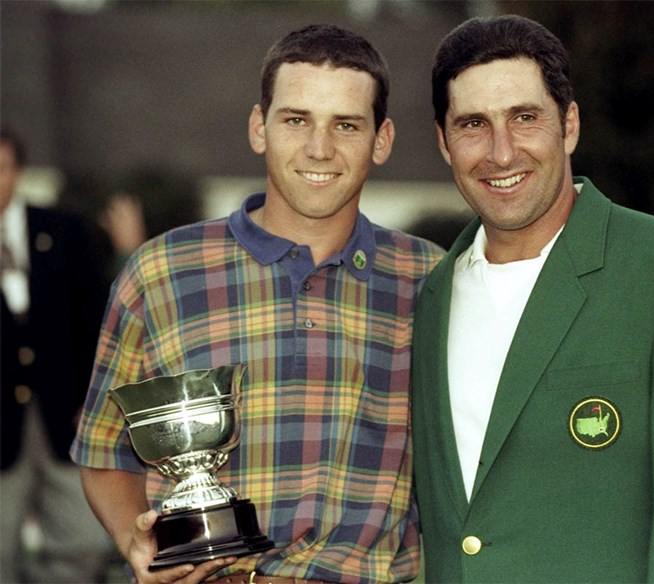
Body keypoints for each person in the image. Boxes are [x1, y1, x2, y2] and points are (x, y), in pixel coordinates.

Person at [70, 25, 443, 584]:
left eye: (346, 124)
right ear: (258, 128)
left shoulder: (431, 280)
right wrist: (136, 543)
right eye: (296, 120)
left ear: (381, 139)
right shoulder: (160, 273)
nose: (320, 148)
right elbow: (104, 450)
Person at [410, 15, 654, 582]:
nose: (501, 153)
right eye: (474, 124)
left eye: (525, 118)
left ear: (569, 125)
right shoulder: (430, 297)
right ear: (444, 141)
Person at [0, 127, 115, 582]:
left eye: (2, 167)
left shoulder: (63, 230)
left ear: (18, 172)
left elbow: (97, 322)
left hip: (64, 413)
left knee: (85, 541)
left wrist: (94, 397)